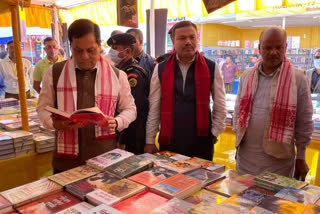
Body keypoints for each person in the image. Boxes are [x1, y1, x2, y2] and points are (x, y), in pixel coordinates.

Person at [36, 19, 137, 173]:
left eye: (90, 50)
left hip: (104, 159)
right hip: (65, 163)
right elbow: (42, 109)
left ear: (99, 44)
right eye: (78, 50)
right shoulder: (55, 72)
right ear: (70, 46)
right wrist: (55, 124)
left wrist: (117, 122)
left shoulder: (118, 75)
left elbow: (130, 109)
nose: (84, 57)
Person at [233, 27, 313, 180]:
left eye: (279, 47)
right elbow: (238, 112)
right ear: (259, 48)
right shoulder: (247, 75)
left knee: (274, 203)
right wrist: (237, 145)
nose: (273, 52)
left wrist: (301, 157)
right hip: (246, 159)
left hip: (279, 163)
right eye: (268, 47)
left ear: (286, 48)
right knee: (242, 201)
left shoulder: (298, 78)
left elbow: (304, 121)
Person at [145, 21, 226, 161]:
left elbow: (220, 104)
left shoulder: (211, 67)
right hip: (170, 140)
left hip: (201, 141)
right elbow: (155, 106)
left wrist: (213, 134)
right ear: (173, 40)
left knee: (201, 180)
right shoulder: (161, 68)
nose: (188, 42)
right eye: (182, 38)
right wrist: (150, 140)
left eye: (192, 37)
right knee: (167, 181)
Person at [107, 33, 149, 155]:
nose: (111, 52)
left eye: (115, 48)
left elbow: (132, 111)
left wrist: (122, 140)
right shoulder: (119, 71)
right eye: (111, 48)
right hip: (121, 130)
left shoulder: (133, 74)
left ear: (128, 51)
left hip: (132, 135)